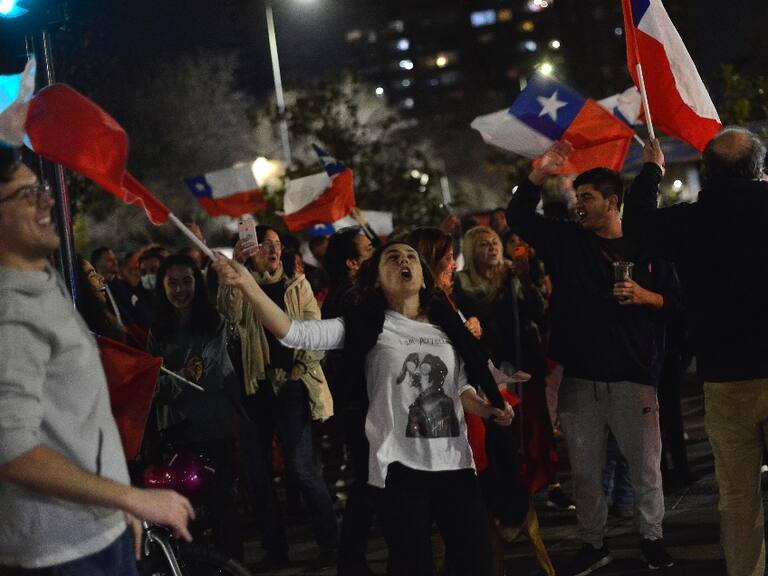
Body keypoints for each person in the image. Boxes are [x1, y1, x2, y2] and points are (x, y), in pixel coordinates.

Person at [212, 240, 515, 576]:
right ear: (376, 279)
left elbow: (460, 388)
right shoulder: (364, 324)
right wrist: (247, 283)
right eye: (393, 257)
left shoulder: (448, 325)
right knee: (413, 566)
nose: (404, 260)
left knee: (478, 564)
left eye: (411, 256)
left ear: (423, 277)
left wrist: (489, 409)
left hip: (455, 464)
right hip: (399, 469)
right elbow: (293, 333)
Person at [0, 147, 193, 575]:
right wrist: (131, 497)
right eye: (26, 195)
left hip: (96, 531)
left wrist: (111, 500)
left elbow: (74, 425)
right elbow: (11, 448)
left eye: (42, 189)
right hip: (62, 550)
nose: (47, 201)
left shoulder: (39, 280)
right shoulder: (9, 311)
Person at [506, 141, 679, 574]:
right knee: (585, 472)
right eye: (575, 198)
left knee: (645, 468)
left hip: (633, 373)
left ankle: (651, 537)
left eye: (587, 198)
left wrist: (646, 296)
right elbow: (520, 218)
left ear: (612, 203)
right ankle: (593, 542)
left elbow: (679, 303)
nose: (577, 205)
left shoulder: (647, 245)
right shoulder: (567, 241)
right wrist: (538, 175)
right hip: (580, 378)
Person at [622, 129, 768, 576]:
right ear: (758, 168)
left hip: (725, 378)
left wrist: (651, 169)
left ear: (709, 171)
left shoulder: (691, 221)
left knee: (739, 497)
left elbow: (638, 225)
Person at [217, 225, 338, 572]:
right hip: (253, 387)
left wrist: (299, 371)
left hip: (289, 386)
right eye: (264, 245)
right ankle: (276, 549)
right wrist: (235, 275)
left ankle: (331, 543)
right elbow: (228, 317)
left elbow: (315, 334)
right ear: (250, 250)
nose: (272, 250)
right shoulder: (244, 284)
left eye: (276, 245)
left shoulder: (296, 286)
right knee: (257, 476)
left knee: (302, 470)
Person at [146, 253, 243, 558]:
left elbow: (210, 377)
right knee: (185, 512)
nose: (180, 289)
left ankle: (231, 564)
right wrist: (183, 375)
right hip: (176, 431)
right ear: (162, 287)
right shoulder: (157, 332)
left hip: (215, 426)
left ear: (197, 284)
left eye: (186, 281)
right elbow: (154, 387)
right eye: (172, 283)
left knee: (222, 505)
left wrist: (175, 379)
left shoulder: (214, 323)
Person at [320, 226, 376, 576]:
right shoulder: (353, 297)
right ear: (353, 262)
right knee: (370, 480)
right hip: (360, 400)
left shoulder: (352, 292)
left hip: (357, 399)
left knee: (371, 479)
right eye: (369, 248)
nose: (377, 251)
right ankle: (351, 559)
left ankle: (352, 558)